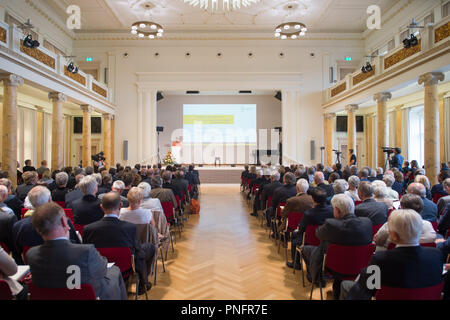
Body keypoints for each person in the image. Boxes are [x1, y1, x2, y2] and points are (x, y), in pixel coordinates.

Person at [27, 202, 127, 299]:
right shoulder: (85, 251)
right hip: (86, 294)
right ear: (63, 221)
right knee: (115, 271)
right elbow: (101, 270)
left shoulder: (31, 254)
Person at [341, 209, 443, 300]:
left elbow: (369, 289)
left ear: (393, 236)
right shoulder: (436, 255)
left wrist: (365, 272)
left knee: (346, 285)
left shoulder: (380, 259)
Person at [83, 192, 156, 295]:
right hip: (126, 268)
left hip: (100, 268)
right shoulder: (130, 228)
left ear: (101, 207)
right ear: (120, 205)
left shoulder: (88, 229)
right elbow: (138, 251)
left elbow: (87, 254)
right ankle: (143, 282)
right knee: (147, 249)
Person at [301, 194, 372, 299]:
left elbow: (318, 233)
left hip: (334, 266)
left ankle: (315, 278)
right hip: (359, 266)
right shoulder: (367, 222)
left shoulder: (332, 224)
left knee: (306, 249)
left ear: (337, 210)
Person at [286, 188, 333, 269]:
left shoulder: (309, 213)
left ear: (313, 199)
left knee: (294, 236)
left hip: (309, 241)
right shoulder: (332, 210)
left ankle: (296, 263)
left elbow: (301, 229)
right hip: (327, 242)